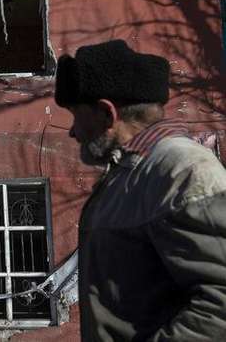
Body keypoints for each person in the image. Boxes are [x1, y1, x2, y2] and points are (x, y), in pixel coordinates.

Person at [54, 39, 226, 341]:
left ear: (107, 114)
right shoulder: (128, 176)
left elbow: (220, 304)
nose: (72, 131)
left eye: (76, 115)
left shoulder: (181, 170)